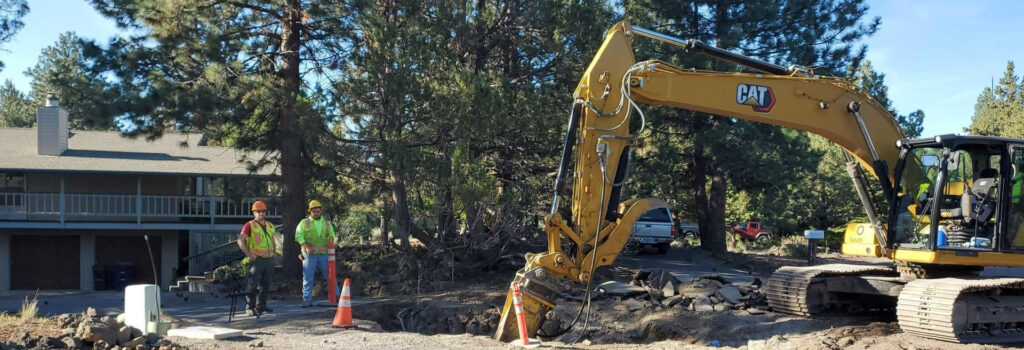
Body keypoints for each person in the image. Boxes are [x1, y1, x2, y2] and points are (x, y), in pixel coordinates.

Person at [236, 200, 279, 316]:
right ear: (254, 213)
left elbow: (272, 240)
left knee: (266, 283)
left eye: (263, 211)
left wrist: (274, 251)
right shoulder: (249, 225)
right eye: (258, 211)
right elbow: (240, 240)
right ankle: (250, 307)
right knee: (252, 283)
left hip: (269, 259)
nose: (261, 214)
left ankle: (261, 307)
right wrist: (248, 254)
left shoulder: (270, 225)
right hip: (257, 259)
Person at [295, 199, 339, 307]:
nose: (316, 213)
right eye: (314, 211)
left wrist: (333, 246)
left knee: (330, 276)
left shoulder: (327, 224)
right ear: (310, 211)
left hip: (324, 254)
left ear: (321, 211)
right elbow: (298, 236)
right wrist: (307, 247)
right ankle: (307, 299)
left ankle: (336, 296)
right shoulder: (304, 223)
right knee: (308, 277)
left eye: (318, 211)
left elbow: (333, 237)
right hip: (309, 255)